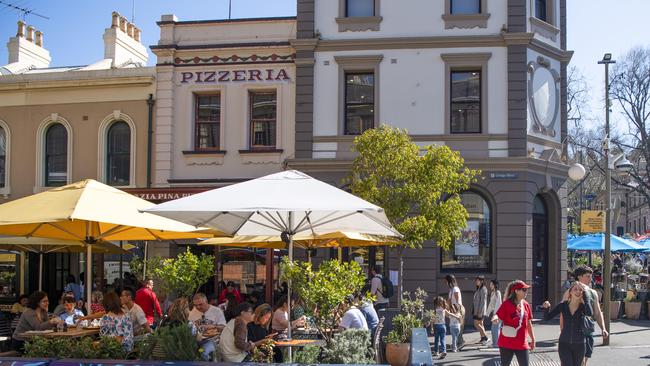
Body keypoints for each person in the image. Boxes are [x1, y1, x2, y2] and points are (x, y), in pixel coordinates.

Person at [559, 265, 608, 365]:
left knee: (583, 362)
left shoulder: (592, 292)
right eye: (587, 276)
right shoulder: (569, 292)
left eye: (591, 276)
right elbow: (563, 314)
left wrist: (603, 328)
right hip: (572, 333)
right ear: (579, 277)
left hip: (587, 332)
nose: (590, 279)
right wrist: (563, 331)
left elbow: (598, 312)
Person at [542, 282, 594, 366]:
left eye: (581, 290)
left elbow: (590, 314)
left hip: (579, 344)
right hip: (564, 343)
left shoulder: (583, 307)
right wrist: (546, 308)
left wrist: (586, 298)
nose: (578, 292)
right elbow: (547, 318)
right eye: (575, 289)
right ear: (570, 292)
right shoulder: (563, 305)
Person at [496, 280, 535, 366]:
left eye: (526, 289)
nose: (526, 291)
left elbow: (528, 324)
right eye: (524, 289)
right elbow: (498, 317)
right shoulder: (506, 304)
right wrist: (495, 319)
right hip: (507, 342)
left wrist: (533, 339)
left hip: (522, 343)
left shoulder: (526, 305)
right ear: (516, 291)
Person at [445, 274, 465, 349]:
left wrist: (458, 312)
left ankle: (460, 343)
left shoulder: (455, 289)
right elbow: (449, 301)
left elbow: (458, 301)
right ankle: (456, 343)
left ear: (449, 281)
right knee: (456, 326)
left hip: (458, 309)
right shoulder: (452, 289)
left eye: (446, 281)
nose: (445, 283)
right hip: (454, 309)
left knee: (458, 326)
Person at [486, 280, 502, 348]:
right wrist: (487, 313)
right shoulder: (493, 293)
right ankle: (495, 343)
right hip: (495, 313)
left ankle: (496, 344)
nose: (490, 286)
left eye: (491, 284)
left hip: (498, 313)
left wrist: (495, 314)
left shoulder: (497, 292)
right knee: (493, 329)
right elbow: (491, 304)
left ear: (495, 285)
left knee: (495, 328)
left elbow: (499, 303)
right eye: (490, 284)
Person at [473, 275, 488, 345]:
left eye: (478, 280)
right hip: (476, 309)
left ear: (482, 281)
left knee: (476, 324)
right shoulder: (479, 289)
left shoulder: (483, 289)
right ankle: (482, 338)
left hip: (479, 311)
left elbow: (483, 301)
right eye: (476, 280)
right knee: (481, 324)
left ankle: (485, 337)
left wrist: (480, 311)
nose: (476, 282)